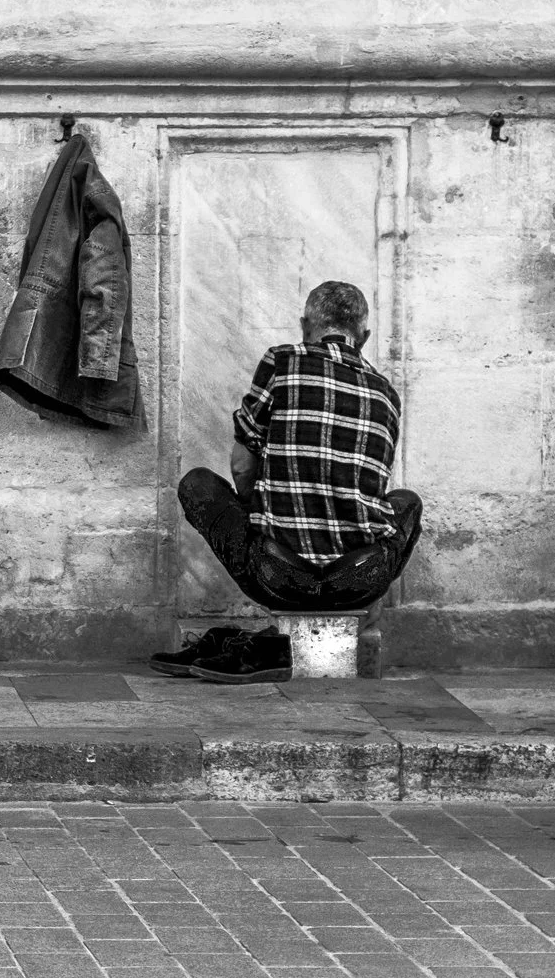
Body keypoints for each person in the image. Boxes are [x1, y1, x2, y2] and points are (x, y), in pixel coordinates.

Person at [158, 281, 423, 683]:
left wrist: (257, 513)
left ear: (305, 326)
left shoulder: (283, 360)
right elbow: (371, 485)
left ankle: (271, 632)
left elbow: (243, 464)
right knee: (407, 502)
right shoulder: (387, 394)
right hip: (357, 580)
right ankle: (366, 616)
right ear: (364, 336)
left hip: (278, 575)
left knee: (197, 484)